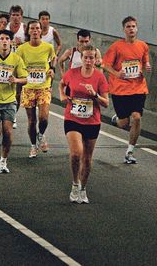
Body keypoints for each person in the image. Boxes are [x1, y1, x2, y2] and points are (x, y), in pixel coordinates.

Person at [60, 45, 109, 203]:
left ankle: (83, 188)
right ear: (81, 58)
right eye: (85, 57)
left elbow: (106, 103)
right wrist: (63, 96)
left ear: (95, 60)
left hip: (92, 121)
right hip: (72, 118)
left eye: (91, 58)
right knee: (76, 153)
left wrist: (94, 95)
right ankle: (75, 183)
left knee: (87, 159)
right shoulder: (72, 73)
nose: (88, 60)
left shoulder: (100, 78)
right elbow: (62, 84)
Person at [103, 16, 152, 164]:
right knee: (124, 123)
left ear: (137, 29)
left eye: (133, 26)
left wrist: (146, 67)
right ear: (124, 29)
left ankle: (130, 151)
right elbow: (105, 65)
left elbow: (144, 63)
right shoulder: (116, 47)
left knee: (137, 117)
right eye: (128, 26)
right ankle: (117, 119)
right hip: (120, 90)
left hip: (138, 88)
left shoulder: (143, 46)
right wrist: (118, 74)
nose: (131, 29)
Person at [0, 30, 27, 172]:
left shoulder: (16, 59)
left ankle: (3, 161)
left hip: (9, 100)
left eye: (7, 38)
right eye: (2, 38)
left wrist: (16, 80)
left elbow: (25, 79)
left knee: (8, 132)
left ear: (11, 42)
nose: (5, 41)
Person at [15, 21, 56, 157]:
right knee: (32, 120)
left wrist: (52, 70)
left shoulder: (48, 47)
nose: (35, 31)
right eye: (32, 28)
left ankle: (41, 135)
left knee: (43, 118)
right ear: (28, 31)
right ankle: (33, 146)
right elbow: (16, 65)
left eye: (37, 28)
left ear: (41, 30)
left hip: (44, 87)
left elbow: (53, 60)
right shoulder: (22, 49)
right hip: (28, 87)